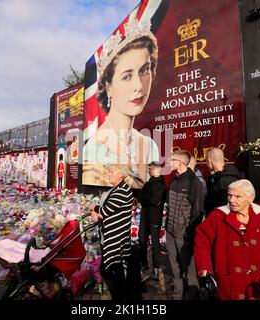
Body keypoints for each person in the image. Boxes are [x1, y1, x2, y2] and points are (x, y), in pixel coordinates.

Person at [82, 18, 159, 188]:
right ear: (108, 86)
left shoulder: (149, 145)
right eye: (127, 76)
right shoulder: (95, 148)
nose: (138, 86)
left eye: (144, 70)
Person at [195, 179, 260, 300]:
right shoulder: (218, 216)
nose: (231, 200)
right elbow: (201, 239)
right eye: (229, 195)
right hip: (228, 285)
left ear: (250, 198)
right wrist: (204, 267)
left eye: (237, 196)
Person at [90, 164, 134, 301]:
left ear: (120, 175)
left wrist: (94, 208)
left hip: (116, 237)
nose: (108, 174)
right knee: (116, 268)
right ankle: (121, 294)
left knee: (108, 269)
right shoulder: (117, 188)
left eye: (111, 172)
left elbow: (105, 211)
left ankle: (119, 296)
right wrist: (97, 211)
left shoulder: (123, 190)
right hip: (112, 235)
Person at [165, 150, 204, 299]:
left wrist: (189, 233)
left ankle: (193, 295)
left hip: (184, 234)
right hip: (170, 231)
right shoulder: (174, 181)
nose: (170, 162)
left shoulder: (194, 182)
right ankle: (177, 294)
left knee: (189, 269)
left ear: (180, 162)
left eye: (172, 160)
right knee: (174, 267)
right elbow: (169, 206)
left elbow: (198, 213)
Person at [138, 161, 167, 281]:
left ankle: (156, 268)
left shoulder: (161, 185)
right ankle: (144, 265)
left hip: (154, 218)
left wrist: (145, 198)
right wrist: (145, 198)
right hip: (145, 216)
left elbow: (155, 200)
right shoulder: (148, 183)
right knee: (142, 240)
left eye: (150, 169)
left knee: (155, 244)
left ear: (157, 170)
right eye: (148, 169)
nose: (148, 171)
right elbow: (141, 197)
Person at [204, 148, 243, 216]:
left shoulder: (223, 180)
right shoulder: (231, 175)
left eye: (206, 161)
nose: (207, 164)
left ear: (209, 161)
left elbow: (223, 206)